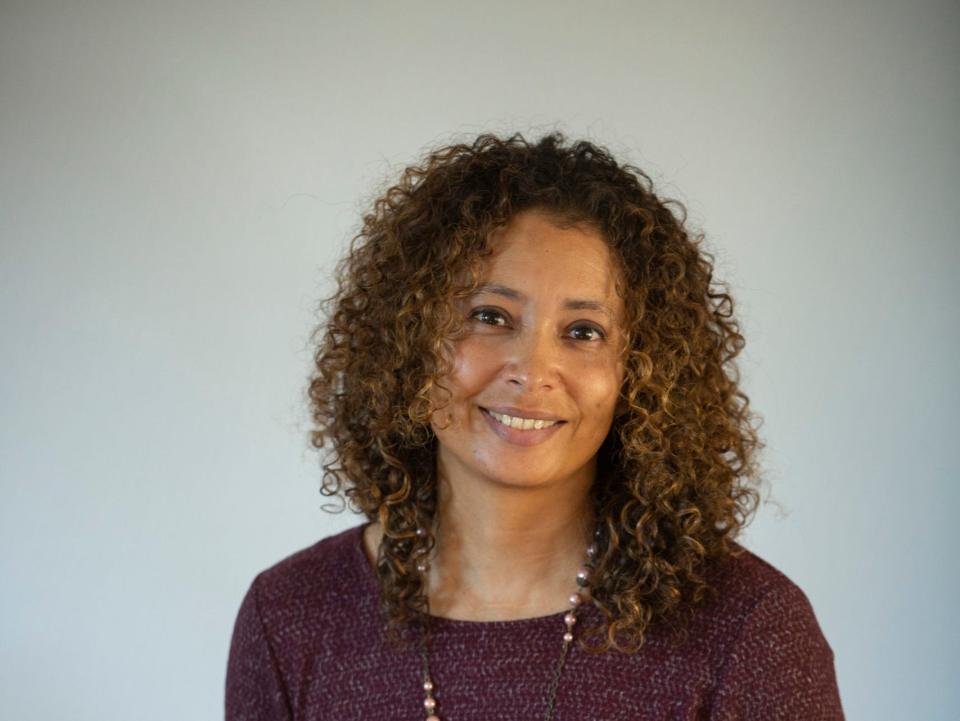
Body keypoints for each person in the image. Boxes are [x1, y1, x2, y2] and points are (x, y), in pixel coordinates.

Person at [225, 132, 845, 720]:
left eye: (583, 332)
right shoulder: (291, 618)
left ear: (644, 372)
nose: (533, 370)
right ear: (408, 342)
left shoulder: (747, 631)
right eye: (490, 316)